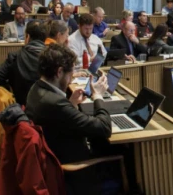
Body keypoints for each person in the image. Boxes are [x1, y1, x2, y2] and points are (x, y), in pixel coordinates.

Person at [24, 44, 117, 193]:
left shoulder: (36, 88)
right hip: (74, 170)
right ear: (59, 72)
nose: (71, 77)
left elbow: (59, 121)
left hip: (59, 149)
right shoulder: (54, 103)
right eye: (71, 73)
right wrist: (98, 97)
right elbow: (104, 128)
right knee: (125, 154)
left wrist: (72, 104)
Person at [0, 21, 48, 103]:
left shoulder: (15, 57)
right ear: (45, 39)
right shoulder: (54, 58)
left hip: (23, 110)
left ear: (27, 37)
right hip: (49, 111)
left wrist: (8, 86)